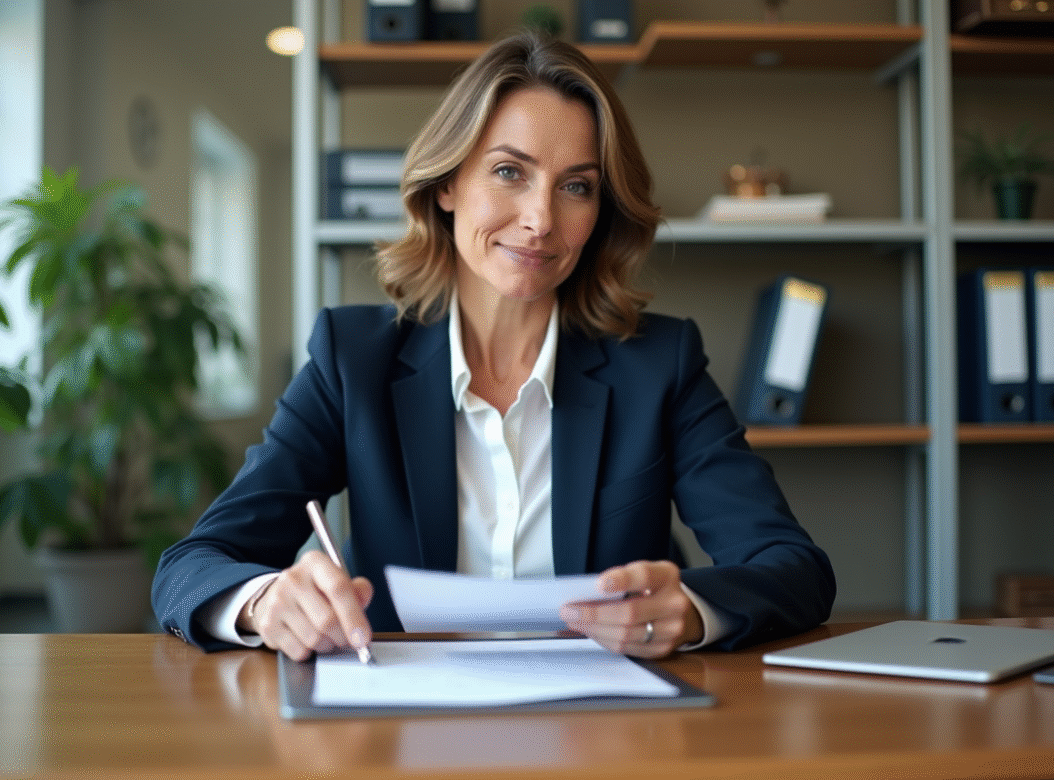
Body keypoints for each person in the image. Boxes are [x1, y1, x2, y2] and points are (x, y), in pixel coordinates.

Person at [152, 30, 835, 661]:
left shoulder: (660, 363)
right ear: (448, 183)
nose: (541, 220)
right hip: (403, 724)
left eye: (576, 186)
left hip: (609, 728)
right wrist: (267, 602)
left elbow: (793, 567)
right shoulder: (352, 358)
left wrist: (688, 608)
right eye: (509, 172)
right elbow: (195, 563)